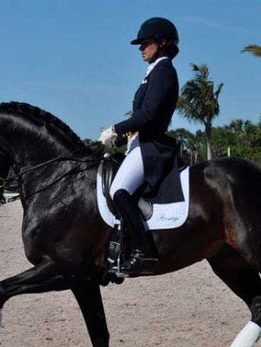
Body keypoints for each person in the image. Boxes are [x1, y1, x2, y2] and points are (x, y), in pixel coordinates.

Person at [98, 17, 180, 275]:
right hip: (140, 142)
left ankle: (144, 252)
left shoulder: (164, 71)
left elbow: (149, 115)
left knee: (119, 191)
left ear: (162, 43)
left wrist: (116, 129)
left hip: (152, 146)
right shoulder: (154, 70)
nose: (141, 48)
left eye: (146, 43)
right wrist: (120, 139)